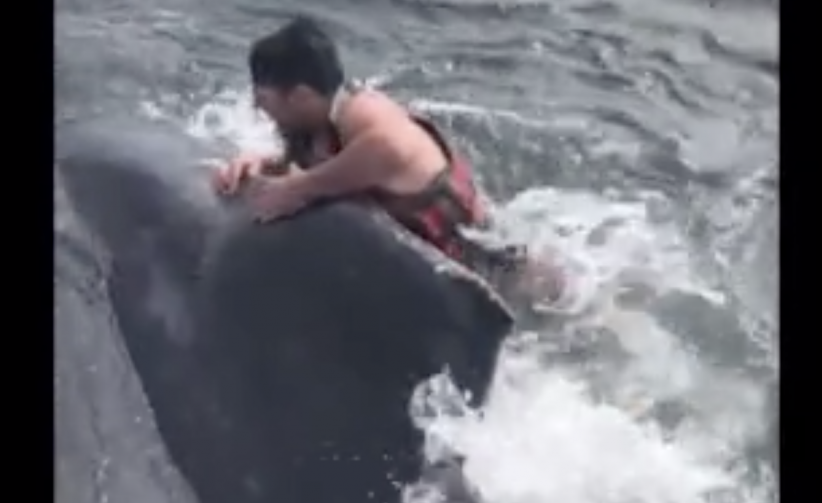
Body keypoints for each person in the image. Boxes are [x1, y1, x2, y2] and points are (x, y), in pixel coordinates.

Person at [212, 16, 564, 306]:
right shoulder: (320, 128)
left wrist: (299, 189)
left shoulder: (364, 113)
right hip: (446, 280)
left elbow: (388, 148)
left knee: (555, 301)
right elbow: (328, 166)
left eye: (263, 98)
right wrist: (261, 164)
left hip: (500, 272)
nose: (257, 107)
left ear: (301, 95)